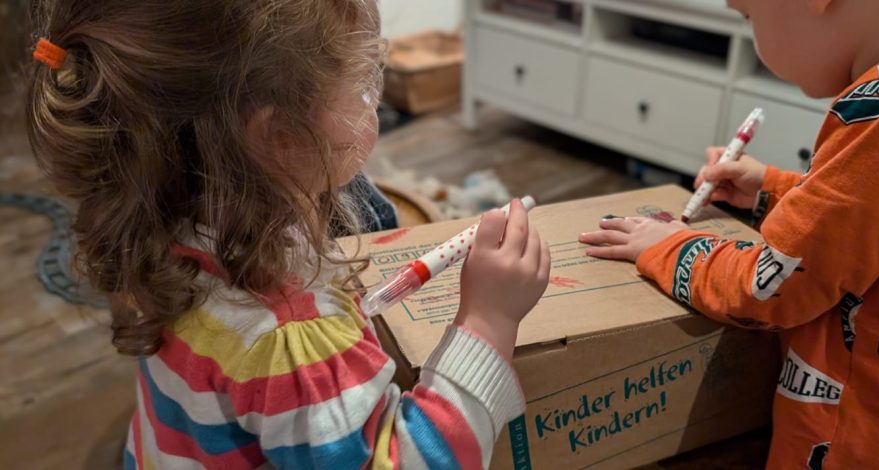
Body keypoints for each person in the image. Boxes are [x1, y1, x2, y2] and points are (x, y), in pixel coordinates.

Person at [26, 1, 550, 468]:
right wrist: (489, 320)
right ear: (280, 139)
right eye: (365, 82)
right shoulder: (288, 338)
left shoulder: (159, 210)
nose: (376, 100)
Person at [580, 0, 879, 467]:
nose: (755, 38)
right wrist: (771, 189)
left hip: (876, 442)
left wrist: (668, 246)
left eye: (747, 16)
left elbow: (768, 289)